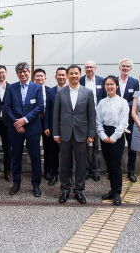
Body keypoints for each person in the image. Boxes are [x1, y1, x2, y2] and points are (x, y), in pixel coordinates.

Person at [53, 65, 96, 204]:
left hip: (81, 133)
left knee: (81, 164)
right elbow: (56, 114)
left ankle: (79, 190)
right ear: (67, 75)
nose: (73, 76)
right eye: (71, 73)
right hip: (65, 133)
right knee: (64, 163)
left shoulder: (88, 92)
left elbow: (91, 114)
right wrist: (56, 133)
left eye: (76, 73)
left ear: (80, 74)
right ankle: (64, 190)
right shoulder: (60, 93)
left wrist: (91, 134)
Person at [4, 62, 44, 197]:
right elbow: (7, 107)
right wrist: (17, 123)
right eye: (19, 72)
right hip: (15, 128)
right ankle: (16, 182)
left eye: (25, 71)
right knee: (15, 156)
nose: (22, 74)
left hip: (33, 127)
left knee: (35, 157)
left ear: (29, 72)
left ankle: (36, 184)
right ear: (17, 74)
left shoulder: (37, 87)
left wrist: (24, 120)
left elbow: (39, 107)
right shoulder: (11, 88)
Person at [96, 76, 129, 206]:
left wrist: (114, 137)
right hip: (105, 134)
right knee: (109, 165)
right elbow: (98, 122)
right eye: (107, 84)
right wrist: (103, 136)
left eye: (112, 84)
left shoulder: (123, 102)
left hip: (117, 136)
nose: (109, 87)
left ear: (117, 86)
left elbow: (123, 123)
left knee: (116, 165)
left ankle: (117, 193)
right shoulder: (101, 102)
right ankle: (112, 188)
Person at [79, 60, 106, 182]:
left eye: (91, 67)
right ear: (84, 69)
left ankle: (95, 171)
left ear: (95, 68)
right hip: (83, 118)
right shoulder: (80, 81)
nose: (89, 69)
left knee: (96, 147)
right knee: (83, 146)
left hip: (97, 118)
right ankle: (85, 170)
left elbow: (105, 99)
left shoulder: (102, 81)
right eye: (87, 67)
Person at [116, 58, 140, 182]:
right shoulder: (114, 81)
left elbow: (136, 99)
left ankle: (131, 171)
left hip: (130, 119)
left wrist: (124, 105)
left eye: (128, 66)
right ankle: (116, 170)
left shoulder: (135, 82)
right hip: (116, 119)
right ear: (119, 67)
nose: (125, 68)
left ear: (130, 69)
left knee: (132, 146)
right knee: (117, 145)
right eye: (123, 66)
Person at [44, 67, 67, 186]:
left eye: (63, 75)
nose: (61, 77)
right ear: (55, 77)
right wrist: (47, 126)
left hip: (68, 128)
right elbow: (48, 110)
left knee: (67, 153)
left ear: (66, 77)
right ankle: (54, 175)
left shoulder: (71, 90)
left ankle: (67, 177)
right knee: (53, 153)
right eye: (59, 75)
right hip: (53, 128)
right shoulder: (51, 91)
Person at [33, 68, 52, 181]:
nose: (40, 78)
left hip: (47, 122)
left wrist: (47, 125)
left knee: (48, 148)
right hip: (34, 122)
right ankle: (36, 171)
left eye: (42, 76)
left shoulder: (50, 91)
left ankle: (48, 171)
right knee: (34, 147)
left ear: (45, 78)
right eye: (37, 76)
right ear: (34, 78)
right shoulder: (31, 90)